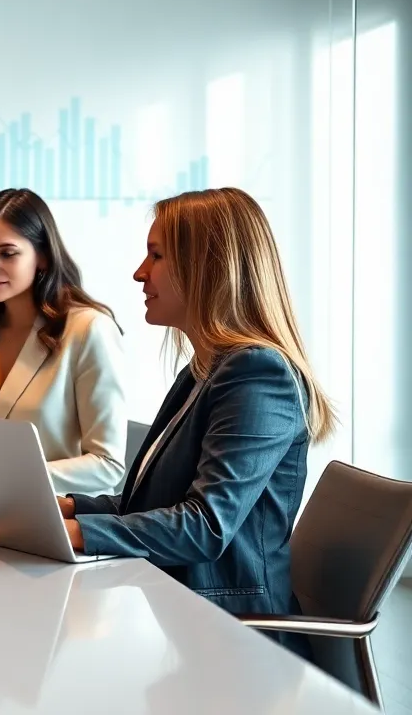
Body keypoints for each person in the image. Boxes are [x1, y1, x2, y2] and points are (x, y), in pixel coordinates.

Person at [58, 187, 334, 657]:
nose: (139, 273)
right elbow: (150, 503)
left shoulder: (258, 374)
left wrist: (76, 533)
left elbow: (204, 526)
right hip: (179, 613)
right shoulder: (204, 370)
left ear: (207, 267)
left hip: (235, 639)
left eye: (156, 255)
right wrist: (65, 507)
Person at [0, 188, 128, 517]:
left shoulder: (88, 329)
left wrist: (8, 483)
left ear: (42, 256)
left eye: (7, 253)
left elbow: (108, 464)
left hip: (53, 522)